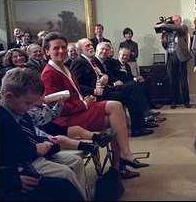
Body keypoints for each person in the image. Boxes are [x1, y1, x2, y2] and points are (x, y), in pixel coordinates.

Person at [40, 32, 147, 179]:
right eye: (56, 48)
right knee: (115, 106)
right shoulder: (49, 74)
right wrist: (84, 103)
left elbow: (75, 94)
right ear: (47, 51)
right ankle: (125, 156)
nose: (61, 51)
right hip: (67, 120)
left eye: (63, 47)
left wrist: (86, 99)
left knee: (115, 122)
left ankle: (118, 167)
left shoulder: (66, 68)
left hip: (78, 112)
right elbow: (57, 109)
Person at [0, 68, 86, 200]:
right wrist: (36, 149)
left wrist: (47, 142)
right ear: (9, 96)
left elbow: (32, 137)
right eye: (28, 103)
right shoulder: (1, 119)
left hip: (33, 157)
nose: (30, 107)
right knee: (65, 176)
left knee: (76, 161)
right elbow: (6, 154)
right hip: (22, 165)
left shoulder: (22, 114)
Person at [71, 39, 155, 137]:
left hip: (106, 90)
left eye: (91, 45)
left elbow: (104, 75)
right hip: (96, 96)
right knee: (131, 88)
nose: (91, 47)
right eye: (87, 46)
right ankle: (139, 125)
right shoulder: (80, 62)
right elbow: (76, 86)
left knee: (133, 89)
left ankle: (140, 125)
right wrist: (94, 91)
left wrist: (105, 77)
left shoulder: (90, 61)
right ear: (80, 50)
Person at [154, 15, 192, 109]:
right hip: (171, 56)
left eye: (177, 20)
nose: (175, 22)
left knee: (183, 80)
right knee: (172, 80)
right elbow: (165, 44)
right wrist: (163, 39)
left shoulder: (183, 28)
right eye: (173, 20)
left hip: (181, 57)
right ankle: (173, 101)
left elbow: (177, 28)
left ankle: (186, 101)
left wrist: (164, 25)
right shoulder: (168, 32)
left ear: (180, 21)